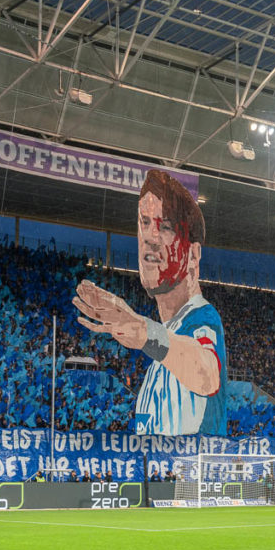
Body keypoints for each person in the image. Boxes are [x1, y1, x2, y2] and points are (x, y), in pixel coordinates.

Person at [72, 169, 226, 436]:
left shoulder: (202, 317)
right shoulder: (165, 345)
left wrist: (146, 334)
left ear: (193, 253)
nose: (150, 238)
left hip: (189, 476)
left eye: (165, 227)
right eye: (144, 222)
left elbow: (207, 373)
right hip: (161, 476)